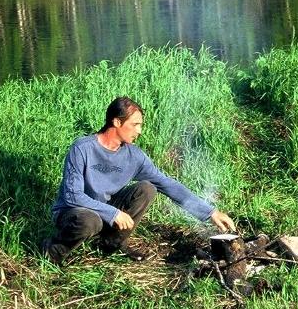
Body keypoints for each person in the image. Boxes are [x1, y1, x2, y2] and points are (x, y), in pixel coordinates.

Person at [42, 96, 236, 265]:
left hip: (107, 211)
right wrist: (113, 212)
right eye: (135, 125)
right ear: (117, 122)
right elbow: (73, 196)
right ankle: (52, 252)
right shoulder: (82, 148)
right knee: (89, 220)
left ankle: (111, 243)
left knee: (147, 188)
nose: (140, 131)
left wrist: (210, 212)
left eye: (140, 125)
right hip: (74, 211)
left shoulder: (134, 156)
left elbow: (166, 183)